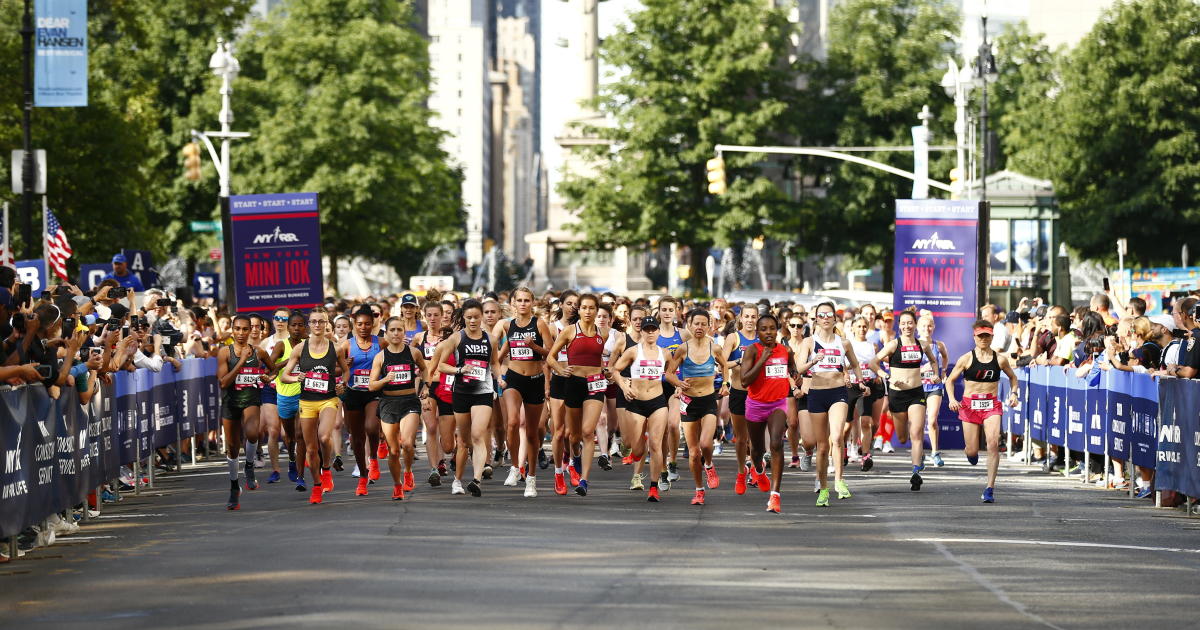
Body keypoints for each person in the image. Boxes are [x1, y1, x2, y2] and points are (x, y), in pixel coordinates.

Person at [795, 302, 867, 507]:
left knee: (836, 437)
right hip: (816, 393)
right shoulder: (809, 342)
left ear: (835, 319)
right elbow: (799, 368)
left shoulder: (843, 343)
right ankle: (823, 488)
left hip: (838, 393)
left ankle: (839, 481)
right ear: (816, 319)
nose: (826, 318)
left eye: (829, 315)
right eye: (822, 315)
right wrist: (813, 361)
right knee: (822, 446)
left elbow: (854, 364)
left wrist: (860, 381)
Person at [944, 320, 1020, 503]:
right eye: (980, 336)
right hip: (970, 406)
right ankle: (971, 452)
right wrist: (953, 399)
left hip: (991, 405)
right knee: (971, 450)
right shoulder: (966, 359)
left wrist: (1014, 393)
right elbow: (949, 381)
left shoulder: (1000, 359)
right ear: (975, 337)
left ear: (992, 336)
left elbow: (1013, 377)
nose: (984, 339)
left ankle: (990, 488)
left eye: (987, 335)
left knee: (993, 444)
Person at [280, 308, 350, 505]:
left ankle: (326, 468)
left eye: (321, 321)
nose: (317, 325)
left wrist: (342, 384)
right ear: (309, 325)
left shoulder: (335, 348)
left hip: (328, 399)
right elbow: (285, 375)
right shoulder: (300, 349)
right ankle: (317, 485)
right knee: (310, 449)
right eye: (314, 322)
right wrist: (296, 377)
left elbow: (345, 371)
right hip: (307, 402)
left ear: (327, 324)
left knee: (325, 436)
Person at [869, 310, 941, 491]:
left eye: (910, 323)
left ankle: (916, 472)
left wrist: (936, 375)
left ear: (915, 325)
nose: (907, 326)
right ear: (899, 326)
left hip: (916, 393)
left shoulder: (922, 344)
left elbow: (933, 361)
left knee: (916, 433)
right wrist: (888, 376)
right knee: (902, 438)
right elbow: (873, 363)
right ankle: (918, 459)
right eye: (904, 323)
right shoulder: (893, 345)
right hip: (897, 395)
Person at [494, 287, 554, 497]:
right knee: (511, 422)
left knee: (531, 431)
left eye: (526, 300)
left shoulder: (539, 323)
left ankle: (531, 478)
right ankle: (514, 466)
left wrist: (534, 346)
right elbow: (500, 354)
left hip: (535, 379)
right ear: (513, 303)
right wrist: (498, 375)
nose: (522, 304)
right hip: (514, 378)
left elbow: (551, 352)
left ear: (532, 303)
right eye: (519, 300)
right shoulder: (507, 325)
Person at [546, 294, 608, 497]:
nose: (588, 312)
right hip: (573, 383)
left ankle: (584, 480)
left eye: (592, 308)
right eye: (585, 308)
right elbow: (550, 357)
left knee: (588, 431)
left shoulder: (603, 333)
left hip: (595, 385)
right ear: (579, 310)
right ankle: (576, 455)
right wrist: (560, 370)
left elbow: (599, 359)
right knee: (574, 436)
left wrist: (606, 372)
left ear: (597, 310)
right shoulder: (570, 331)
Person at [665, 309, 727, 505]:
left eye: (703, 324)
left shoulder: (714, 348)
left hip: (708, 400)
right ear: (689, 326)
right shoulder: (683, 349)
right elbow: (669, 373)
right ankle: (699, 490)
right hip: (688, 402)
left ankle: (709, 465)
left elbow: (724, 366)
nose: (699, 327)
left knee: (706, 444)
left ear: (709, 326)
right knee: (693, 453)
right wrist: (678, 383)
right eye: (695, 324)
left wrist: (725, 384)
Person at [436, 299, 498, 497]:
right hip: (461, 392)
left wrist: (500, 379)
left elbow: (495, 363)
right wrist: (459, 369)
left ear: (482, 317)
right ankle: (457, 480)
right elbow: (441, 365)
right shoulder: (456, 338)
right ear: (463, 317)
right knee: (463, 441)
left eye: (476, 317)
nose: (473, 321)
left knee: (478, 434)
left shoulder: (491, 339)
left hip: (483, 391)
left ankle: (477, 480)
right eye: (469, 317)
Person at [215, 315, 273, 510]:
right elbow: (223, 382)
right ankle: (234, 486)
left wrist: (267, 377)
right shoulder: (224, 352)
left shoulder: (259, 352)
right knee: (232, 447)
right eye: (237, 329)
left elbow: (273, 370)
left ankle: (249, 465)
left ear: (251, 331)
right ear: (232, 331)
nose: (241, 333)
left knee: (252, 433)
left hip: (251, 399)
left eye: (245, 329)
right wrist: (240, 362)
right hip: (231, 402)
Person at [367, 316, 429, 500]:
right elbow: (372, 385)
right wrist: (386, 380)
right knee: (393, 450)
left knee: (407, 443)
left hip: (409, 400)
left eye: (399, 330)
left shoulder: (413, 352)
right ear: (386, 333)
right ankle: (397, 485)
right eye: (392, 330)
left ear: (404, 332)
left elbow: (424, 369)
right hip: (388, 403)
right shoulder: (381, 356)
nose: (395, 333)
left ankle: (408, 471)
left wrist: (426, 386)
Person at [611, 316, 670, 501]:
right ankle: (634, 446)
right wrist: (624, 386)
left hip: (658, 402)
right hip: (636, 403)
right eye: (647, 329)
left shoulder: (666, 353)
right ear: (642, 332)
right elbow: (615, 370)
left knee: (656, 445)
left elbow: (671, 373)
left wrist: (678, 387)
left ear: (659, 331)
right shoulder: (632, 351)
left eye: (653, 329)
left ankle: (653, 487)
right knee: (636, 449)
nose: (650, 332)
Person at [741, 313, 795, 514]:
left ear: (777, 329)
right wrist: (762, 360)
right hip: (755, 405)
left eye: (772, 328)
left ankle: (775, 496)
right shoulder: (752, 351)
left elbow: (791, 366)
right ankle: (759, 470)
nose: (769, 332)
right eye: (763, 329)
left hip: (778, 404)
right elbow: (745, 381)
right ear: (757, 332)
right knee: (756, 449)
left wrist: (795, 374)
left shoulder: (785, 350)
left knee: (776, 443)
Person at [339, 306, 383, 496]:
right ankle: (363, 476)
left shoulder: (381, 343)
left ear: (373, 324)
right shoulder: (346, 345)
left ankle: (373, 458)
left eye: (367, 324)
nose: (363, 327)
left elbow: (393, 361)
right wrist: (342, 366)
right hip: (353, 393)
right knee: (356, 438)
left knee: (372, 427)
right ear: (353, 324)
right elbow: (334, 369)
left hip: (373, 392)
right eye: (359, 324)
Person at [413, 300, 453, 486]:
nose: (432, 319)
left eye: (436, 315)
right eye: (429, 315)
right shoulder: (419, 338)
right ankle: (433, 469)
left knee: (447, 442)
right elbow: (412, 361)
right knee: (430, 427)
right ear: (424, 316)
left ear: (442, 316)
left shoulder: (449, 337)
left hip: (446, 385)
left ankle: (444, 457)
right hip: (426, 387)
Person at [721, 304, 759, 493]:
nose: (751, 320)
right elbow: (722, 362)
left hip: (758, 394)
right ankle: (740, 471)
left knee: (755, 437)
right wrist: (738, 362)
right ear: (741, 319)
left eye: (754, 317)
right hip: (739, 392)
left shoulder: (763, 339)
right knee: (742, 438)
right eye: (747, 317)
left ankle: (754, 469)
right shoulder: (733, 338)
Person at [269, 312, 307, 491]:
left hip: (304, 395)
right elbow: (270, 366)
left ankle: (300, 476)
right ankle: (291, 458)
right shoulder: (281, 345)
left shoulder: (309, 344)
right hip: (284, 396)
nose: (297, 328)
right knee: (290, 437)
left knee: (301, 435)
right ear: (288, 327)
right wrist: (290, 361)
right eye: (294, 325)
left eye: (300, 325)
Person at [848, 316, 884, 471]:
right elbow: (843, 366)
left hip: (868, 386)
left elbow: (875, 364)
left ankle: (866, 454)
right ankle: (845, 448)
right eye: (859, 326)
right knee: (848, 423)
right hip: (851, 385)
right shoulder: (847, 344)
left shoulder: (873, 346)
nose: (862, 329)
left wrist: (878, 375)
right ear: (853, 328)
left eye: (865, 326)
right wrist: (848, 372)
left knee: (868, 422)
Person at [916, 315, 949, 467]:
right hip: (918, 386)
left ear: (933, 327)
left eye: (929, 326)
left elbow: (945, 358)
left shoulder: (939, 345)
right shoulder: (914, 345)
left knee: (932, 419)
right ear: (918, 328)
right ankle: (920, 453)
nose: (926, 329)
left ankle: (935, 453)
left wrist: (943, 372)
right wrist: (923, 369)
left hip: (934, 386)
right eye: (923, 326)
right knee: (918, 422)